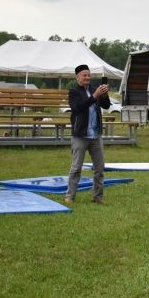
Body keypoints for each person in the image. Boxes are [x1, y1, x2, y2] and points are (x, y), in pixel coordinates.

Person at [65, 64, 110, 204]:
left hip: (95, 135)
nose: (87, 77)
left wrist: (104, 94)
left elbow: (106, 106)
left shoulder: (94, 89)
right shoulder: (73, 92)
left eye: (89, 75)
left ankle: (97, 196)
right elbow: (77, 108)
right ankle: (70, 196)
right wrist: (94, 96)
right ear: (78, 77)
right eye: (84, 75)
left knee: (99, 168)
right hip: (80, 135)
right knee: (76, 168)